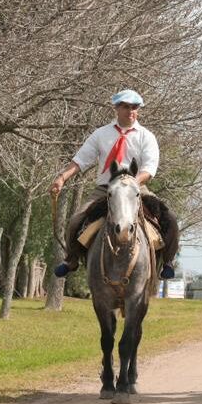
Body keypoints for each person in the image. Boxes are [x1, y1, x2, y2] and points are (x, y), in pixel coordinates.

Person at [49, 89, 179, 280]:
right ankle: (71, 259)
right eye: (126, 107)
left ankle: (167, 262)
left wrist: (131, 183)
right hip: (105, 190)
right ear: (116, 108)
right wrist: (61, 178)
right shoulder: (101, 134)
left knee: (171, 220)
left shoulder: (146, 136)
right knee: (76, 220)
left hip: (137, 190)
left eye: (135, 107)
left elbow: (150, 168)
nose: (131, 111)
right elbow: (80, 160)